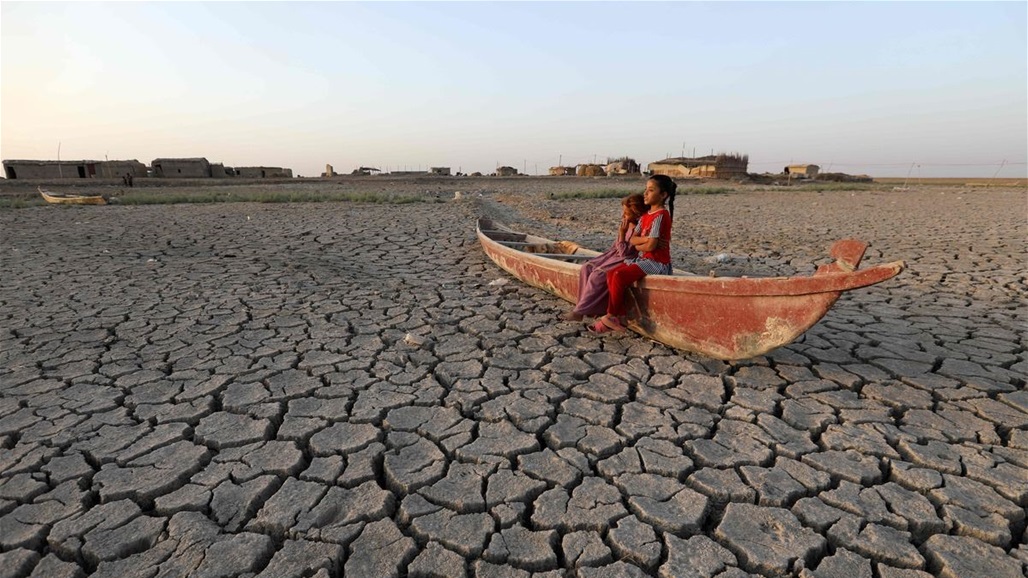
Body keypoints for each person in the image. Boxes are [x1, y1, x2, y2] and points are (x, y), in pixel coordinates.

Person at [590, 174, 677, 333]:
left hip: (657, 263)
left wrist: (644, 243)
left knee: (619, 276)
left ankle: (611, 315)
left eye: (650, 190)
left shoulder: (661, 215)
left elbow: (650, 247)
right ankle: (620, 315)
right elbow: (634, 241)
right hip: (644, 260)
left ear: (663, 195)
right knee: (611, 274)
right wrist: (646, 241)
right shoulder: (645, 217)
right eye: (646, 190)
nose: (645, 193)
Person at [564, 194, 647, 321]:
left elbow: (624, 253)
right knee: (586, 268)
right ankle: (584, 308)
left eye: (626, 214)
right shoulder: (627, 225)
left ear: (637, 214)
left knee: (598, 276)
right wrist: (621, 234)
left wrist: (622, 233)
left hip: (624, 258)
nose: (622, 216)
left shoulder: (637, 229)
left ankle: (580, 312)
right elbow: (616, 247)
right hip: (613, 254)